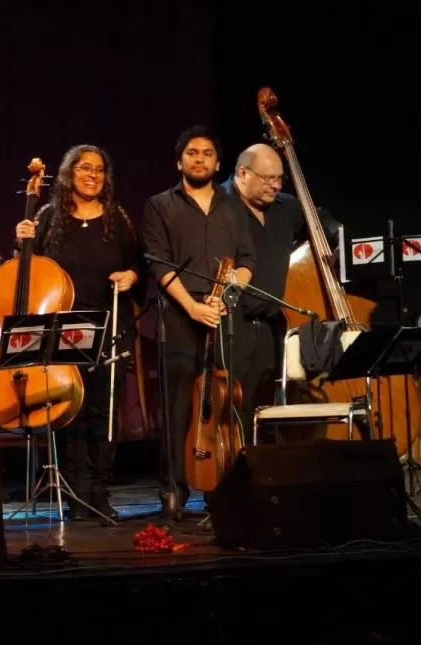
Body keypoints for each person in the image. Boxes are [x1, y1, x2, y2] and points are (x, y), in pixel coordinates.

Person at [14, 144, 143, 523]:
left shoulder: (116, 218)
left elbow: (137, 264)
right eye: (85, 168)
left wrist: (131, 275)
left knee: (105, 413)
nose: (93, 175)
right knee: (71, 412)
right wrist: (21, 240)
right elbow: (28, 274)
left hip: (109, 327)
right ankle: (75, 492)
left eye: (100, 169)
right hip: (64, 331)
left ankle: (99, 492)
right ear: (69, 173)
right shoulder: (49, 216)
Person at [141, 125, 256, 516]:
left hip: (223, 315)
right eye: (192, 152)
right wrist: (192, 307)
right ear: (179, 160)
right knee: (177, 408)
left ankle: (218, 489)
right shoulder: (159, 204)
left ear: (218, 162)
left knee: (223, 407)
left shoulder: (233, 206)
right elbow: (157, 261)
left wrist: (227, 296)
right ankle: (172, 491)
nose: (200, 158)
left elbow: (246, 261)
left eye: (207, 153)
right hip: (178, 315)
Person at [222, 143, 340, 444]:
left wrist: (337, 239)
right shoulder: (218, 204)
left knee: (264, 411)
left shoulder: (285, 207)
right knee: (231, 410)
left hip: (272, 328)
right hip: (229, 324)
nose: (275, 185)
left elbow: (320, 216)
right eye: (267, 178)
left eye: (279, 178)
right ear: (242, 173)